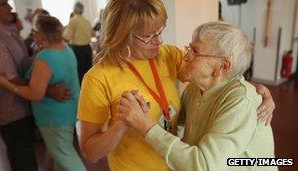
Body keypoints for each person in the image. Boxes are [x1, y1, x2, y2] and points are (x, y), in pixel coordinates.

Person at [77, 1, 275, 171]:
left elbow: (217, 75)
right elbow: (91, 153)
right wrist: (122, 124)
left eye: (160, 31)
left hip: (176, 164)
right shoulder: (98, 79)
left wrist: (253, 92)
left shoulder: (167, 55)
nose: (160, 40)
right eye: (149, 36)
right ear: (122, 35)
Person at [118, 21, 277, 171]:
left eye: (195, 51)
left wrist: (143, 123)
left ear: (223, 66)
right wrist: (144, 112)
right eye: (189, 48)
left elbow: (204, 166)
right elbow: (175, 121)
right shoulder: (194, 89)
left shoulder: (241, 101)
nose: (186, 56)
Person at [0, 15, 86, 171]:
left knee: (64, 156)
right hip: (67, 112)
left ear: (40, 35)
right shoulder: (66, 49)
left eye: (35, 31)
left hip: (53, 118)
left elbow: (35, 94)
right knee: (62, 157)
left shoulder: (45, 57)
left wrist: (7, 85)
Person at [0, 1, 38, 170]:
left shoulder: (8, 32)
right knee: (23, 161)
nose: (10, 8)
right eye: (3, 4)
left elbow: (22, 66)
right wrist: (45, 90)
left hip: (23, 106)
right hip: (13, 112)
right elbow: (10, 78)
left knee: (27, 156)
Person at [63, 2, 94, 83]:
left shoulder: (73, 21)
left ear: (74, 10)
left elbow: (66, 36)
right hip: (87, 48)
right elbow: (92, 34)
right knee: (88, 72)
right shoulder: (87, 21)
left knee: (79, 73)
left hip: (77, 50)